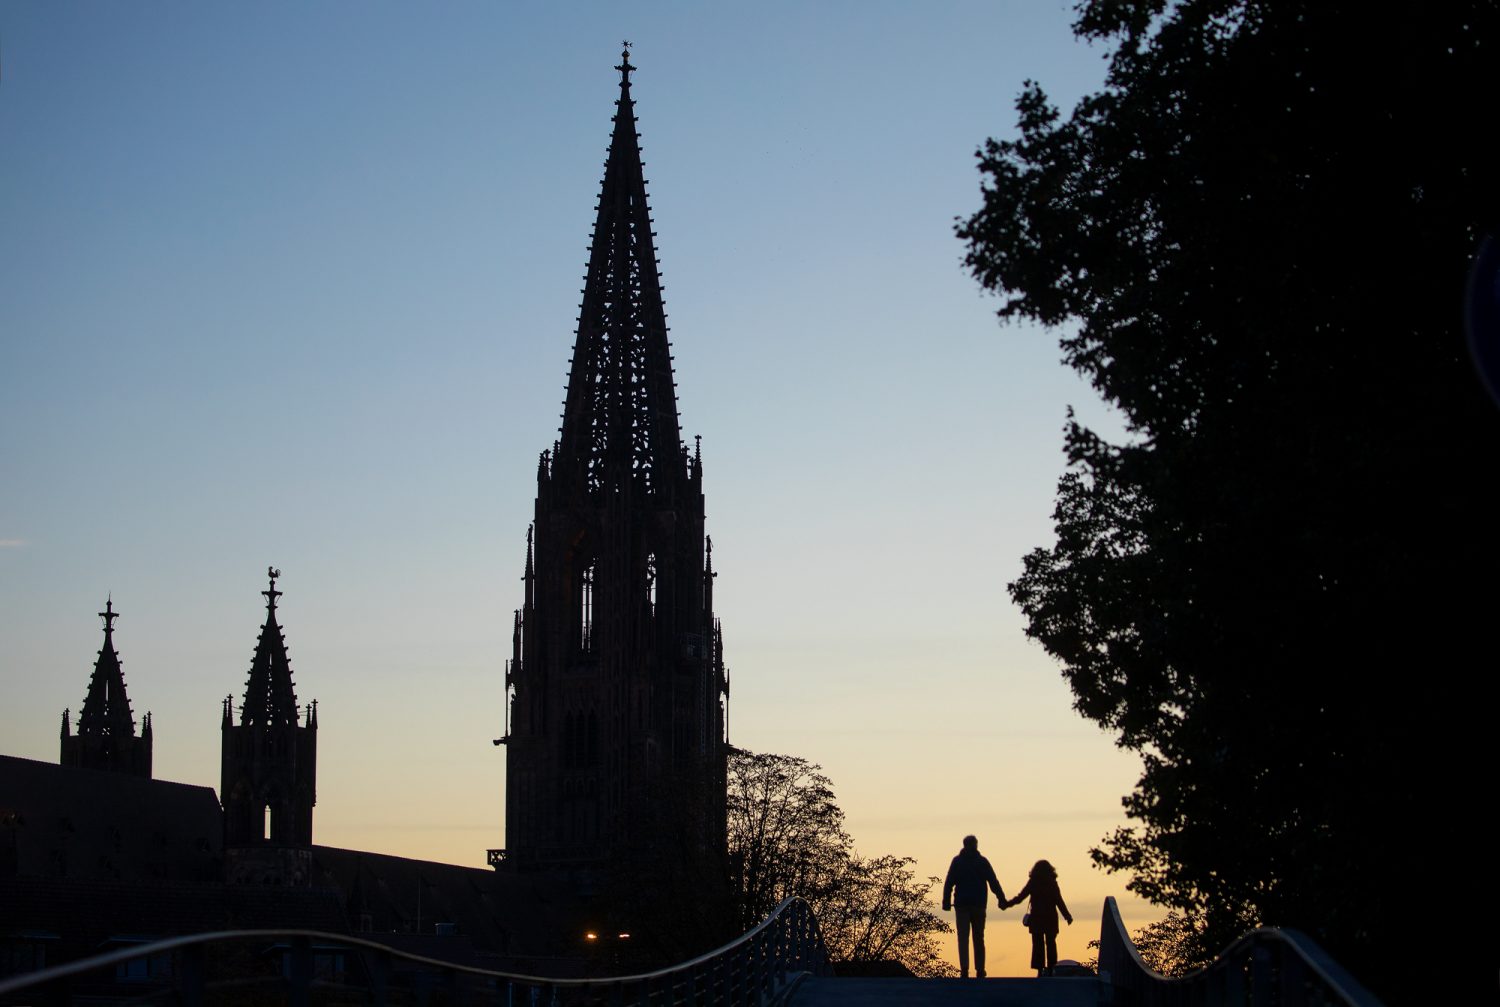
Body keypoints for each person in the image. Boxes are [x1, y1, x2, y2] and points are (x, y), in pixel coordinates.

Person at [941, 835, 1006, 977]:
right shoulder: (982, 862)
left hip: (964, 904)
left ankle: (966, 969)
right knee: (978, 937)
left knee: (964, 937)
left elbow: (949, 882)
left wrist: (946, 901)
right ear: (975, 844)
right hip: (977, 904)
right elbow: (993, 881)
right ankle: (979, 969)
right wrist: (1001, 899)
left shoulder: (958, 862)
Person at [1005, 859, 1073, 977]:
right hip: (1050, 918)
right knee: (1051, 943)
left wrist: (1007, 904)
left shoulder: (1033, 882)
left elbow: (1021, 897)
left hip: (1036, 918)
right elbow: (1059, 901)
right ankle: (1051, 969)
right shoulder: (1052, 883)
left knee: (1037, 944)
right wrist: (1067, 916)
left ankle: (1040, 969)